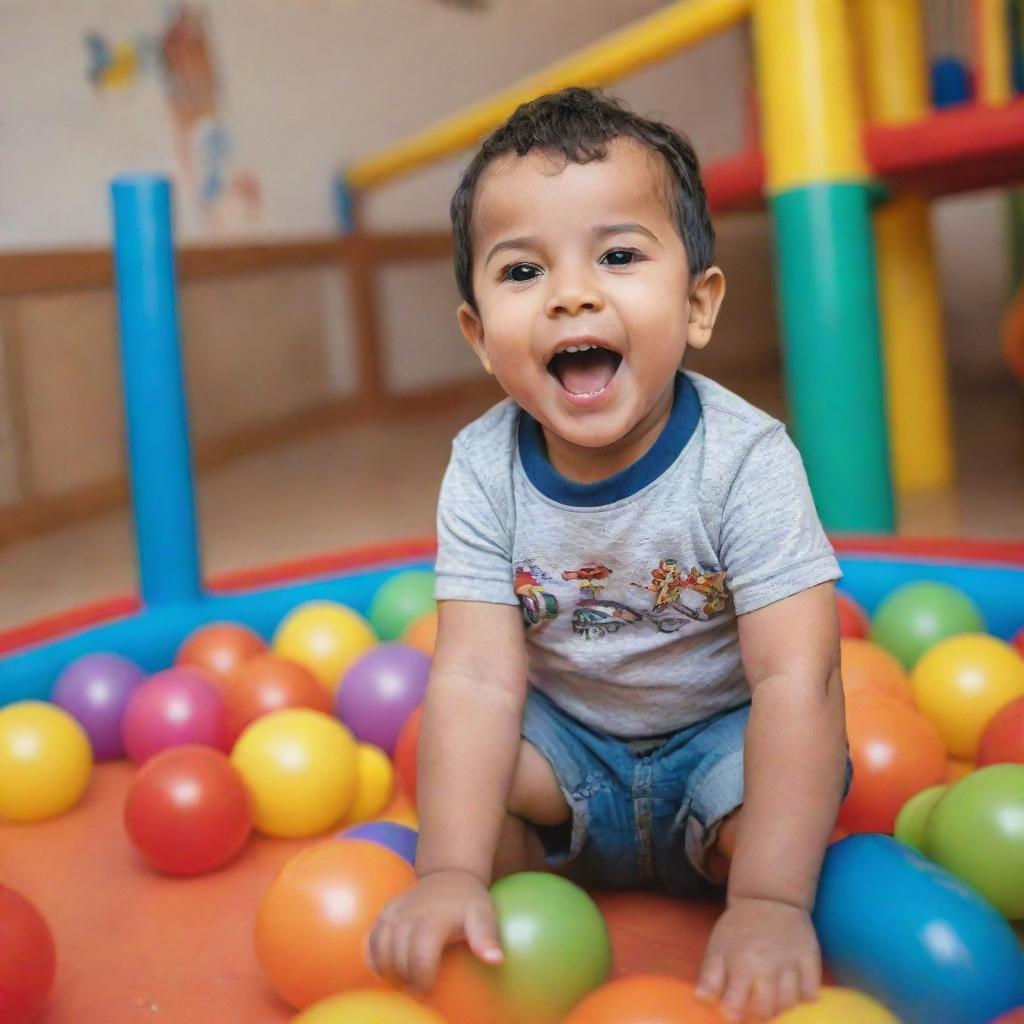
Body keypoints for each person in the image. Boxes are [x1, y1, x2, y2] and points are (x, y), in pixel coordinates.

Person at [367, 87, 850, 1022]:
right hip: (569, 754)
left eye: (620, 256)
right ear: (477, 336)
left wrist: (771, 902)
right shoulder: (481, 467)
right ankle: (514, 865)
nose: (572, 294)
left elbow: (800, 676)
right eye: (520, 273)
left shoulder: (747, 459)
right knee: (462, 754)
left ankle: (737, 869)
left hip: (719, 744)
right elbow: (473, 677)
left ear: (697, 304)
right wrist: (448, 869)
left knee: (802, 774)